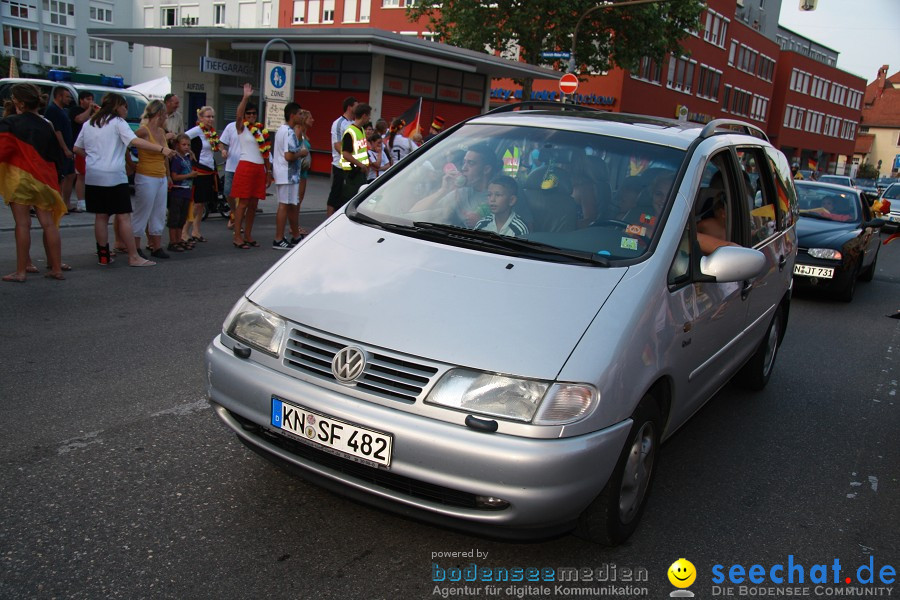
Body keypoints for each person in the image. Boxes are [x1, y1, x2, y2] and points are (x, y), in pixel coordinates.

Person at [74, 92, 174, 266]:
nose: (126, 111)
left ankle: (103, 256)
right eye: (124, 107)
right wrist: (161, 149)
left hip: (94, 175)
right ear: (116, 106)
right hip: (114, 175)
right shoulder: (118, 123)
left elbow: (76, 148)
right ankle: (133, 256)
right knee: (124, 216)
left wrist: (92, 158)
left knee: (101, 216)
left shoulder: (89, 123)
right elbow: (135, 141)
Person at [0, 83, 67, 282]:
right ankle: (56, 268)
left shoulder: (10, 122)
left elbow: (2, 150)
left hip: (19, 178)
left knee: (22, 224)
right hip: (44, 179)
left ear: (18, 103)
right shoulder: (46, 124)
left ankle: (21, 271)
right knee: (49, 224)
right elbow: (56, 155)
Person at [411, 143, 499, 227]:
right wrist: (443, 191)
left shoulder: (499, 198)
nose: (464, 168)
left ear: (486, 169)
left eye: (471, 163)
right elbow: (413, 214)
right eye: (464, 162)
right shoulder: (460, 193)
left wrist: (482, 223)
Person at [230, 83, 272, 249]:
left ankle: (248, 234)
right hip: (246, 167)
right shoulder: (242, 128)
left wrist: (268, 172)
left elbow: (266, 152)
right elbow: (238, 115)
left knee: (254, 205)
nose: (252, 115)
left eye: (254, 113)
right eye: (249, 113)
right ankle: (237, 235)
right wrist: (245, 97)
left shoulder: (261, 130)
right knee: (243, 203)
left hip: (259, 168)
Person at [132, 99, 172, 259]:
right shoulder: (143, 131)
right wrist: (130, 163)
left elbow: (165, 156)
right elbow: (129, 143)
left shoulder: (161, 132)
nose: (166, 118)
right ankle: (135, 246)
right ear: (159, 114)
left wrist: (168, 175)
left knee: (159, 212)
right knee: (143, 211)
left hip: (160, 175)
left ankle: (156, 246)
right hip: (146, 175)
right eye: (165, 115)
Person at [185, 105, 221, 245]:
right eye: (207, 116)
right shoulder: (197, 130)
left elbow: (215, 147)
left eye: (212, 117)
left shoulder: (211, 132)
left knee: (202, 204)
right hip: (199, 170)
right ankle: (184, 231)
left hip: (209, 169)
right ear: (200, 118)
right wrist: (190, 152)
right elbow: (181, 139)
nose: (210, 119)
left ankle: (196, 231)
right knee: (195, 203)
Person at [272, 101, 304, 250]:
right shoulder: (288, 132)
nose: (301, 116)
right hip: (287, 174)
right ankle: (278, 238)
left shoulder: (282, 130)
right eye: (299, 114)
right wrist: (301, 153)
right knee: (284, 205)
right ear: (292, 115)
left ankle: (295, 236)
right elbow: (289, 156)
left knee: (291, 205)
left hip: (287, 174)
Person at [44, 86, 76, 212]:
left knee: (70, 175)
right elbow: (57, 131)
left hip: (67, 148)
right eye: (67, 96)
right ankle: (57, 204)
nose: (69, 99)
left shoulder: (62, 110)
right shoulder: (53, 110)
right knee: (61, 177)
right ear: (59, 96)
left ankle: (65, 203)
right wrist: (65, 149)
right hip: (59, 150)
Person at [326, 96, 357, 217]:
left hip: (351, 166)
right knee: (335, 196)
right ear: (349, 107)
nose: (358, 108)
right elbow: (337, 145)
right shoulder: (339, 123)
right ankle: (327, 222)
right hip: (339, 165)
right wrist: (348, 158)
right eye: (356, 106)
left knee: (346, 197)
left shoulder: (354, 123)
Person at [69, 91, 97, 213]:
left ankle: (89, 200)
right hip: (80, 147)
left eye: (92, 99)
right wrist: (90, 110)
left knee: (91, 175)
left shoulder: (93, 112)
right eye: (88, 99)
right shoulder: (75, 110)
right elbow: (80, 120)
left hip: (92, 146)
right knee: (81, 175)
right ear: (81, 100)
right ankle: (81, 202)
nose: (90, 102)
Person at [339, 103, 372, 205]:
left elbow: (361, 150)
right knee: (351, 202)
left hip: (360, 172)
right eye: (369, 116)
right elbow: (345, 154)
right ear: (364, 116)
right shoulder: (350, 132)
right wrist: (361, 165)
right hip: (352, 174)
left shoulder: (361, 130)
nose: (369, 118)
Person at [166, 134, 195, 252]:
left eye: (188, 145)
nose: (186, 147)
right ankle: (173, 241)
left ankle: (179, 239)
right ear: (177, 145)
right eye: (183, 144)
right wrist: (189, 175)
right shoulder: (176, 159)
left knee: (182, 217)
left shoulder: (187, 158)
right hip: (177, 191)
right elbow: (175, 176)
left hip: (186, 191)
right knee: (174, 218)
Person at [218, 119, 241, 230]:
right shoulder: (231, 126)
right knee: (228, 192)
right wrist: (223, 150)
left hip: (244, 167)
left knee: (241, 196)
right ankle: (235, 212)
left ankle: (237, 221)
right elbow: (221, 143)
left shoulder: (253, 128)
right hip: (231, 166)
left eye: (253, 113)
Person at [295, 109, 314, 237]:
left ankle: (295, 225)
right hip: (300, 170)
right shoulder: (299, 132)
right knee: (297, 199)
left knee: (299, 199)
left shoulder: (305, 134)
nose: (313, 120)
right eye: (310, 118)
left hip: (304, 171)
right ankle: (294, 227)